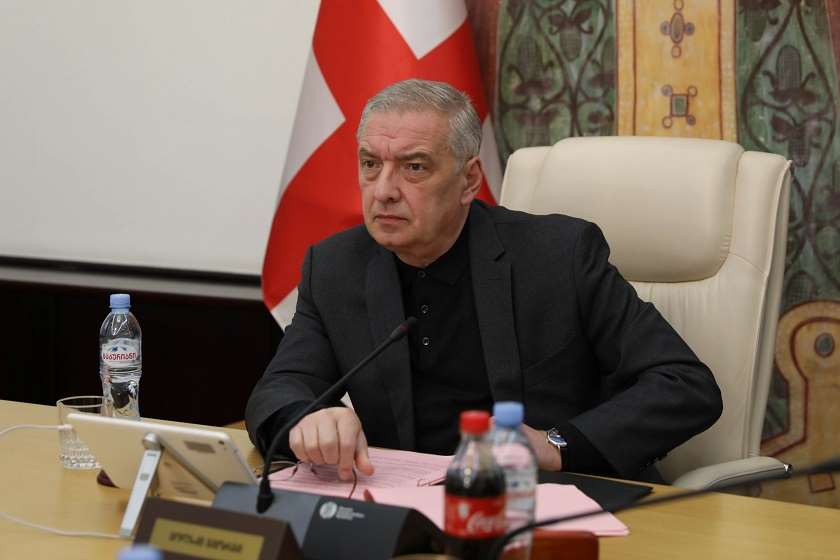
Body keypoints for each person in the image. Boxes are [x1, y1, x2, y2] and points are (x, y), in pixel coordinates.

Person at [246, 78, 722, 483]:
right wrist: (306, 420)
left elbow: (684, 384)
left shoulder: (559, 256)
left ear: (469, 180)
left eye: (414, 167)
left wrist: (558, 444)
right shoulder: (336, 266)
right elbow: (281, 387)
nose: (384, 190)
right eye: (371, 164)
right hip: (404, 504)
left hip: (550, 502)